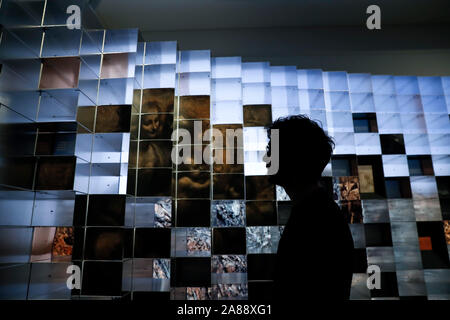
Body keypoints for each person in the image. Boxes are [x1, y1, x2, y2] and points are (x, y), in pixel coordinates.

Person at [265, 115, 354, 303]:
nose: (266, 157)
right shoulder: (317, 211)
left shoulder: (316, 219)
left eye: (271, 151)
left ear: (292, 156)